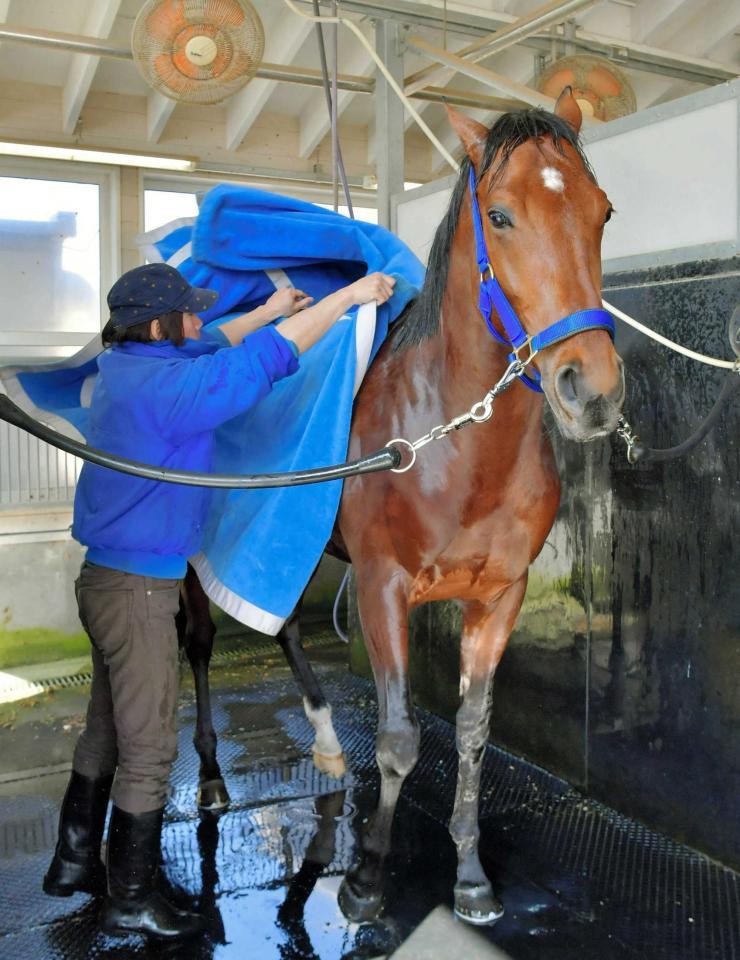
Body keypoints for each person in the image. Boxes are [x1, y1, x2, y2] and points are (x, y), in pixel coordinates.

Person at [43, 261, 396, 940]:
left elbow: (219, 344)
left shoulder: (125, 369)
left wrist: (270, 307)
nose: (201, 320)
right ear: (158, 325)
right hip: (141, 592)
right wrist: (350, 297)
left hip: (105, 582)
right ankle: (132, 898)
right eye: (190, 312)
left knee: (106, 728)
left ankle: (72, 859)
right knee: (147, 751)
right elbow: (265, 361)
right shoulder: (172, 391)